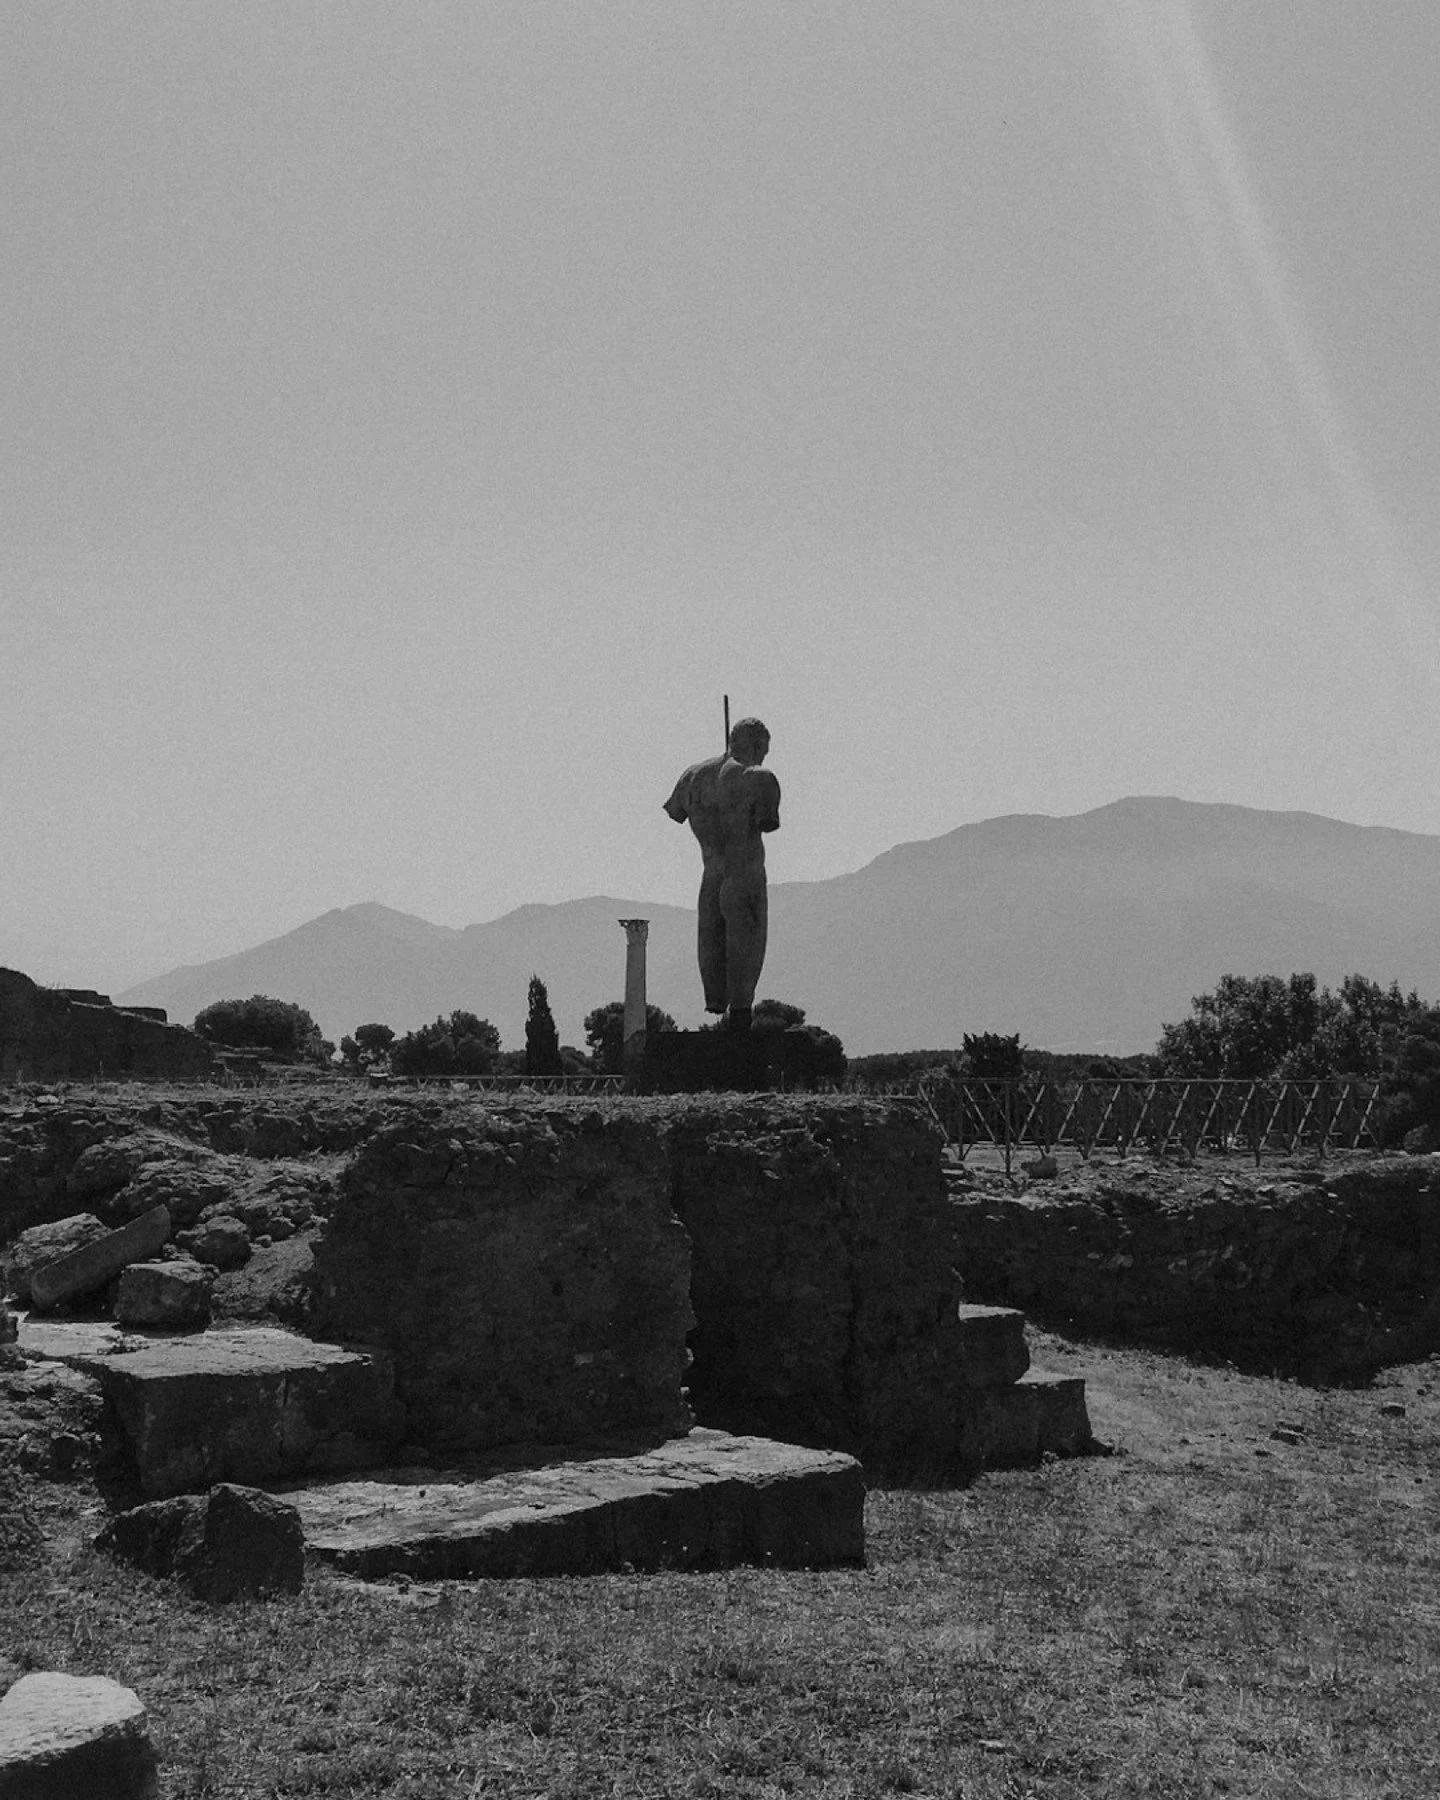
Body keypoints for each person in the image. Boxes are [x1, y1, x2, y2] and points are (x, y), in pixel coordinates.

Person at [663, 717, 781, 1030]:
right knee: (748, 942)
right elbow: (767, 822)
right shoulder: (760, 779)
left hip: (710, 877)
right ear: (757, 745)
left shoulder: (691, 777)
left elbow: (675, 811)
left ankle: (715, 999)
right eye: (764, 751)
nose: (763, 757)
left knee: (711, 940)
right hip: (744, 874)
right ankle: (740, 1013)